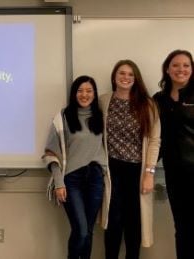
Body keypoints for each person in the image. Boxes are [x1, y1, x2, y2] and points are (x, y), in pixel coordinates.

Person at [43, 75, 110, 259]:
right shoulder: (62, 117)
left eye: (89, 91)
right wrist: (58, 182)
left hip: (95, 178)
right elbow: (50, 152)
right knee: (80, 230)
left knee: (88, 231)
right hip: (71, 180)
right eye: (80, 91)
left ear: (95, 94)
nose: (84, 94)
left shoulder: (101, 117)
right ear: (74, 94)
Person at [101, 59, 160, 259]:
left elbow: (154, 141)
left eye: (130, 75)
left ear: (136, 79)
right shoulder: (104, 101)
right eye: (121, 73)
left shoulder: (147, 105)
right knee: (112, 222)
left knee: (134, 223)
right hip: (111, 170)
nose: (126, 78)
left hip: (137, 170)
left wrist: (149, 173)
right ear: (114, 77)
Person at [153, 49, 194, 259]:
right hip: (174, 173)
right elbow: (153, 138)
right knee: (182, 227)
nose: (181, 69)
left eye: (186, 65)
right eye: (176, 65)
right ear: (167, 69)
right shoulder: (158, 100)